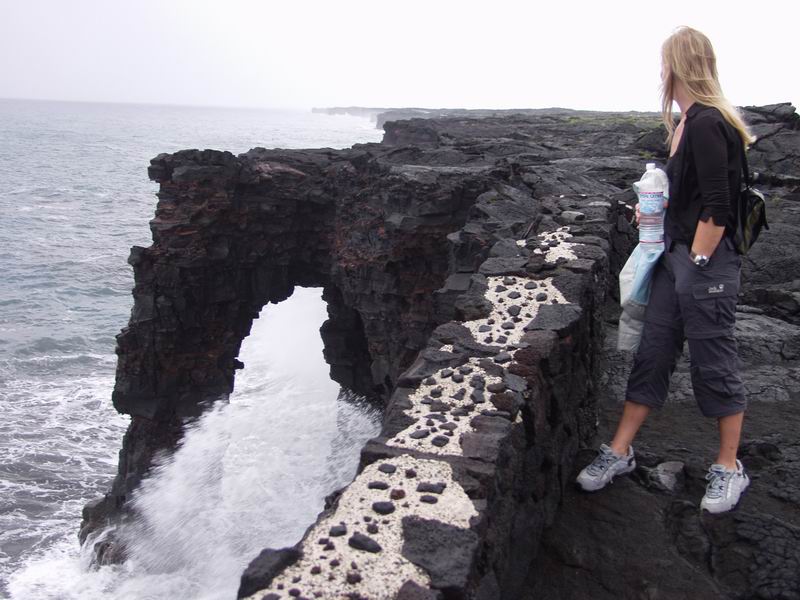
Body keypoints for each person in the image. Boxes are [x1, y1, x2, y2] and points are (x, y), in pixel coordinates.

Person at [576, 26, 757, 514]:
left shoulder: (706, 123)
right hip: (675, 259)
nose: (660, 71)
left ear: (677, 65)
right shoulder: (685, 123)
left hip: (704, 263)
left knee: (713, 361)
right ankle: (619, 451)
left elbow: (718, 206)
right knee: (652, 353)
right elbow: (695, 195)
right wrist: (654, 213)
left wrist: (697, 262)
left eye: (664, 62)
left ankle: (728, 467)